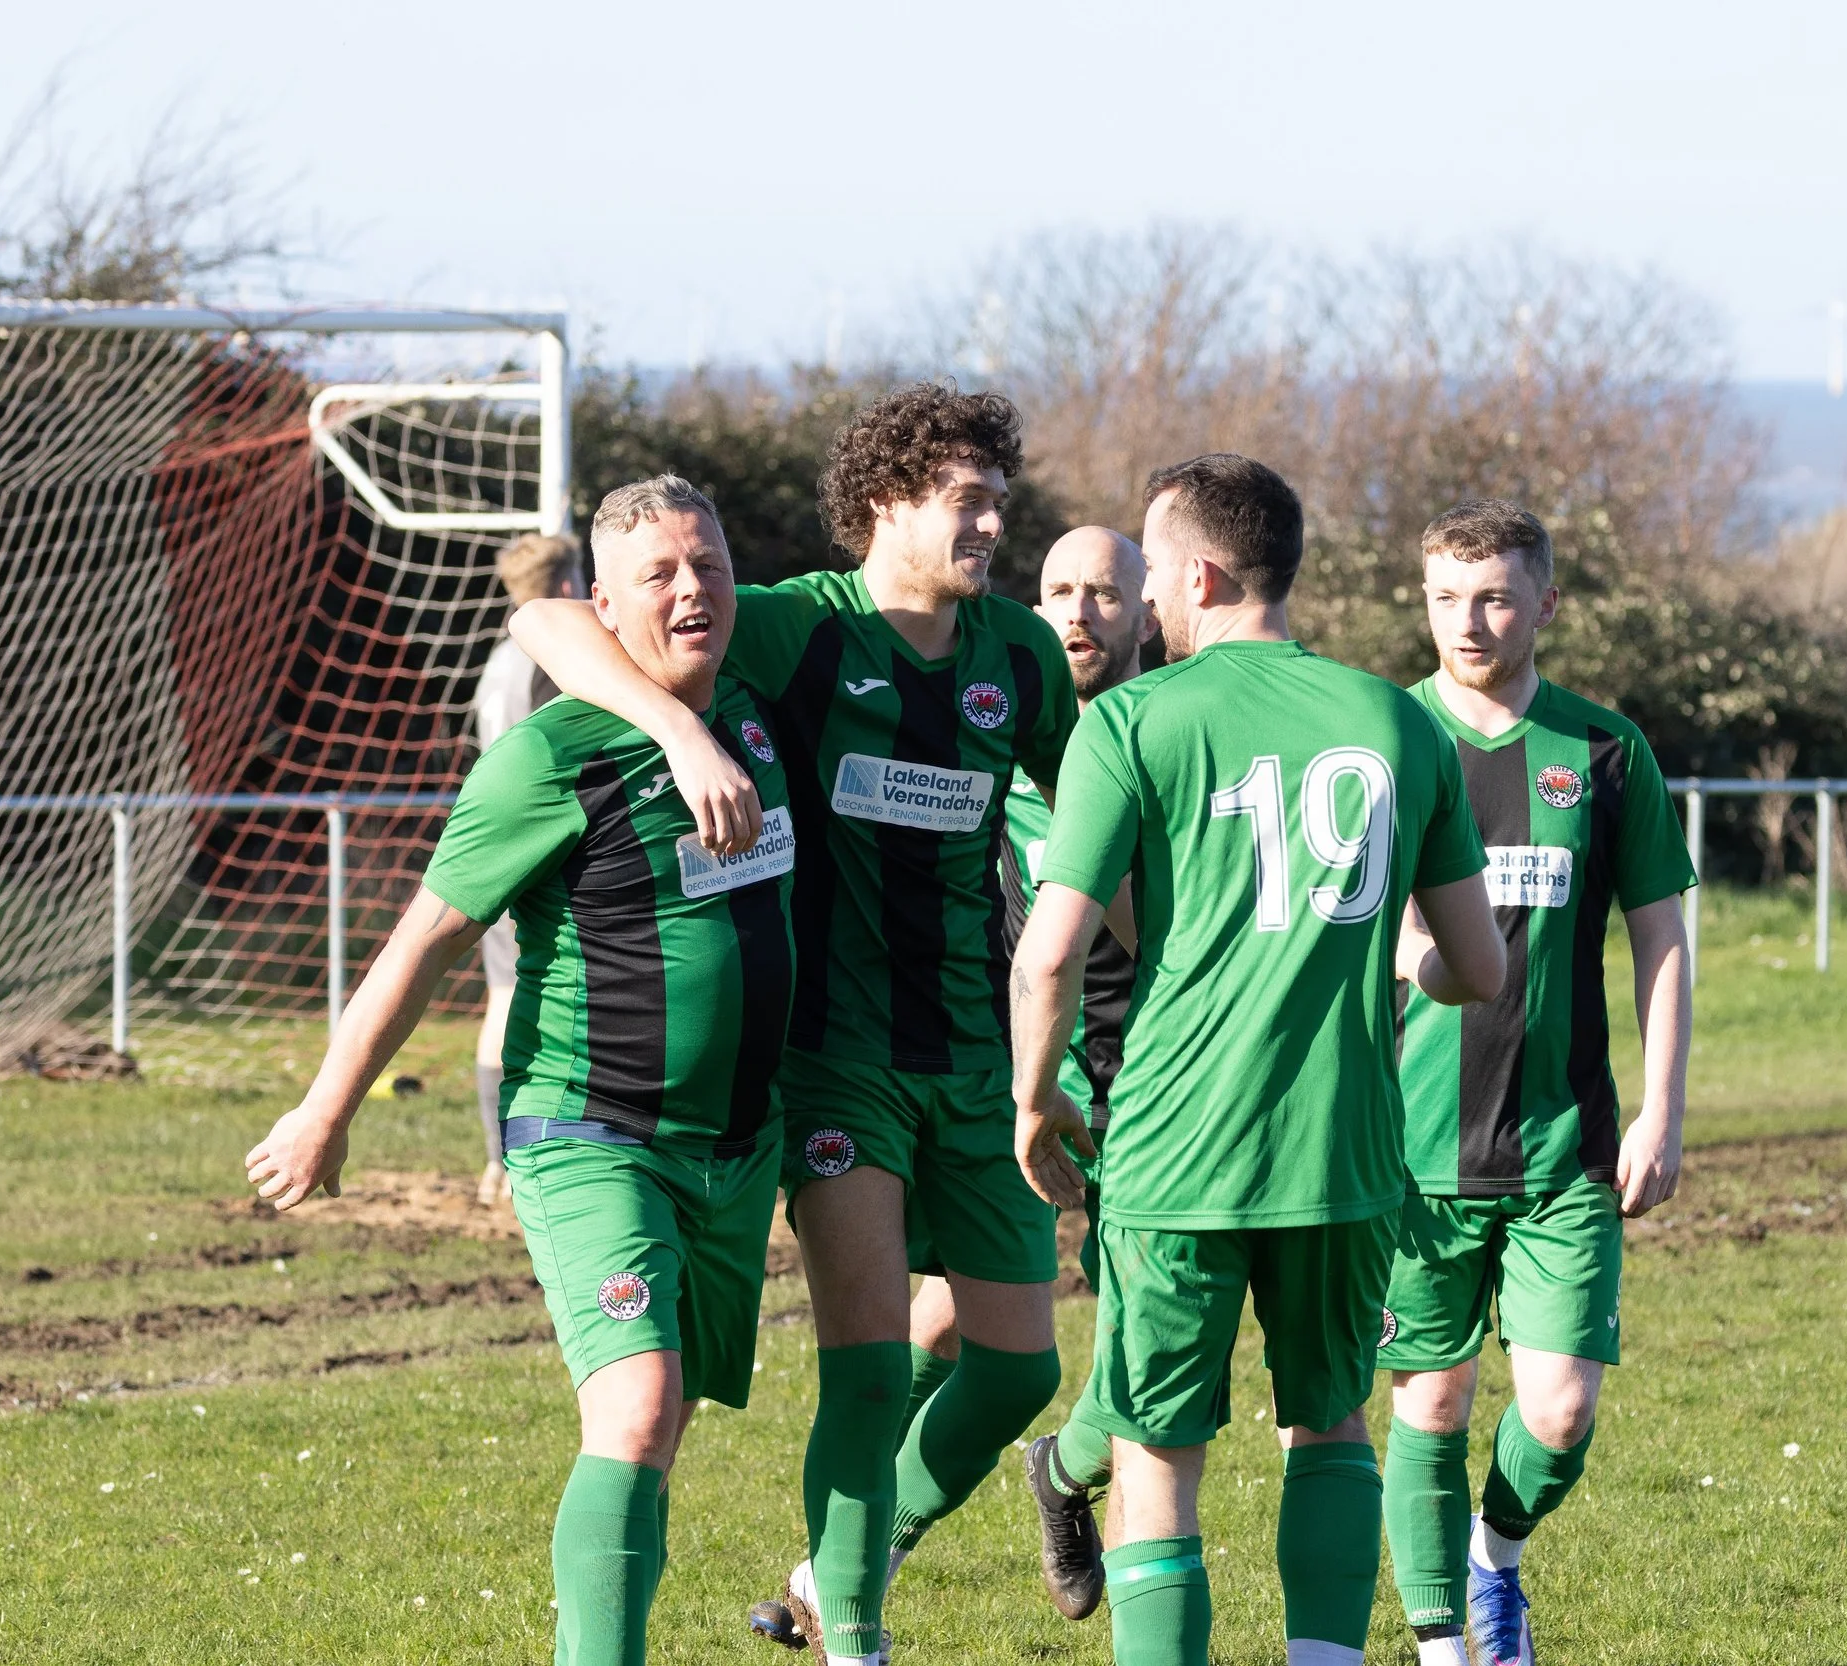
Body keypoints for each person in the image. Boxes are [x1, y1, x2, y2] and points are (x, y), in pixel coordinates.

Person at [509, 384, 1079, 1665]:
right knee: (872, 1370)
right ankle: (858, 1638)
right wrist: (672, 726)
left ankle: (830, 1572)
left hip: (982, 1057)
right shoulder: (793, 627)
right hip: (834, 1063)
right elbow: (550, 614)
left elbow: (1087, 823)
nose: (993, 522)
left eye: (999, 497)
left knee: (1016, 1368)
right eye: (965, 499)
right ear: (885, 502)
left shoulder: (1020, 656)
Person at [244, 474, 797, 1666]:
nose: (694, 589)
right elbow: (424, 941)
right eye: (659, 575)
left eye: (708, 564)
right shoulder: (551, 756)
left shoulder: (761, 707)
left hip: (736, 1148)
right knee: (640, 1408)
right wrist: (325, 1109)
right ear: (604, 602)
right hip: (592, 1131)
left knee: (658, 1429)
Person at [1010, 454, 1507, 1666]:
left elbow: (1049, 954)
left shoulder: (1134, 718)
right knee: (1330, 1425)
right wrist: (1402, 970)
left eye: (1152, 570)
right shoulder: (1398, 717)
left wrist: (1032, 1102)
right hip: (1342, 1145)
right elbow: (1482, 968)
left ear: (1199, 571)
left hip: (1176, 1145)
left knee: (1157, 1455)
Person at [1379, 499, 1695, 1666]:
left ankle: (1494, 1554)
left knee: (1558, 1412)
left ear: (1545, 604)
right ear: (1423, 600)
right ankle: (1444, 1650)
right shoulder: (1385, 738)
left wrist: (1662, 1107)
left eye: (1497, 595)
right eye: (1449, 596)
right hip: (1412, 1150)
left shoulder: (1606, 751)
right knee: (1431, 1404)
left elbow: (1660, 937)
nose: (1471, 620)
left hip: (1567, 1144)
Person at [885, 525, 1159, 1622]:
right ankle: (852, 1554)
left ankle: (1064, 1473)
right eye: (1057, 589)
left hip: (1147, 1074)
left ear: (1152, 610)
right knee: (942, 1324)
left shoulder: (1173, 733)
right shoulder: (995, 746)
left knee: (1141, 1336)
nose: (1079, 610)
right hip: (1011, 1073)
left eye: (1104, 590)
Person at [470, 530, 585, 1205]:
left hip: (498, 838)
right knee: (537, 1002)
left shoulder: (496, 660)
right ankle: (525, 1162)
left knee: (503, 999)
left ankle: (496, 1164)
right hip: (544, 844)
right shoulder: (557, 658)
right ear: (569, 584)